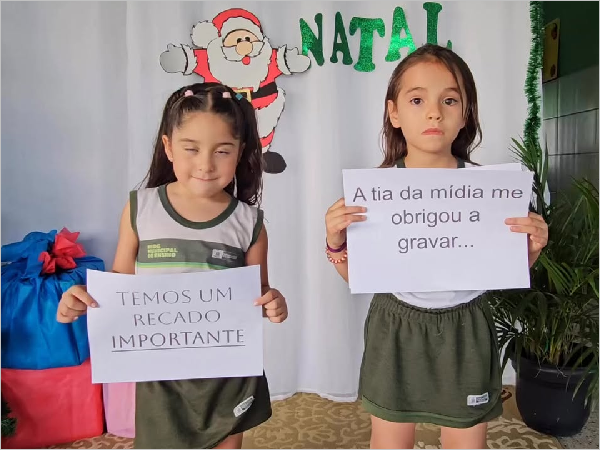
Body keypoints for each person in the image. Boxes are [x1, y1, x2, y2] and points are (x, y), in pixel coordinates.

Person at [324, 44, 548, 449]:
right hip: (395, 325)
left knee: (467, 440)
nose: (434, 113)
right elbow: (359, 276)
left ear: (465, 114)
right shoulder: (375, 193)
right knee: (389, 441)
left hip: (466, 327)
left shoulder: (491, 192)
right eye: (417, 100)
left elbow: (503, 266)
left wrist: (531, 248)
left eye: (449, 100)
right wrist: (335, 242)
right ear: (394, 113)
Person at [57, 82, 288, 449]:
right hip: (160, 376)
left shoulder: (249, 223)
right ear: (168, 147)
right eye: (191, 148)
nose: (206, 164)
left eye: (222, 151)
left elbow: (258, 295)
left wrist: (273, 302)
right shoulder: (140, 209)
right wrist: (82, 297)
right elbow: (119, 286)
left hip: (227, 375)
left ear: (240, 152)